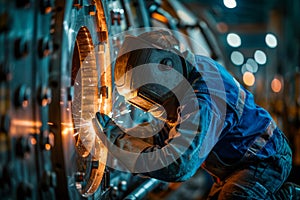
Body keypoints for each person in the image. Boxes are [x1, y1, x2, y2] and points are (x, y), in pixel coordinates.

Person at [92, 30, 300, 199]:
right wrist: (120, 137)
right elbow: (164, 138)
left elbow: (179, 165)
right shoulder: (188, 74)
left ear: (167, 67)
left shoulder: (203, 96)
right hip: (234, 164)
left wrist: (118, 143)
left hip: (263, 158)